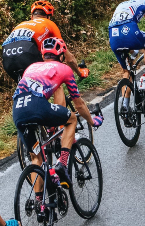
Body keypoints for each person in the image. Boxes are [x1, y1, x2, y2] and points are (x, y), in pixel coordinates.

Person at [11, 37, 102, 191]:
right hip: (38, 106)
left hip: (18, 110)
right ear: (61, 56)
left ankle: (40, 203)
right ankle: (62, 164)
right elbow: (78, 104)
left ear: (43, 56)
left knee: (36, 157)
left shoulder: (31, 67)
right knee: (71, 119)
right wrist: (92, 121)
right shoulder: (65, 69)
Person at [1, 1, 85, 82]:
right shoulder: (49, 23)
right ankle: (67, 95)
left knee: (26, 90)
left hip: (7, 58)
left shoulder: (20, 24)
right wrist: (79, 72)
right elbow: (68, 58)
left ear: (32, 16)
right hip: (26, 53)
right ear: (48, 17)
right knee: (53, 82)